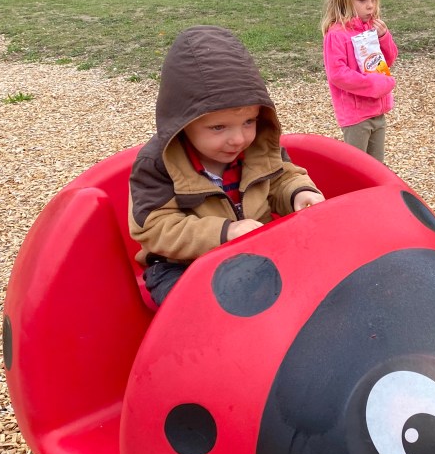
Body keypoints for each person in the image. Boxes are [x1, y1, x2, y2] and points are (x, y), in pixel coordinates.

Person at [129, 25, 325, 305]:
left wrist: (299, 193)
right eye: (218, 127)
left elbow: (282, 179)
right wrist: (225, 232)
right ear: (182, 124)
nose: (238, 139)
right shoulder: (158, 164)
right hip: (180, 264)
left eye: (249, 122)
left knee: (311, 284)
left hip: (256, 249)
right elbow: (154, 229)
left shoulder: (257, 148)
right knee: (199, 309)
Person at [321, 0, 398, 163]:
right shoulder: (337, 35)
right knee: (356, 166)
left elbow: (387, 60)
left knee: (376, 166)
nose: (370, 5)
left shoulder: (370, 28)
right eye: (362, 0)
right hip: (356, 116)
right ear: (343, 2)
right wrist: (372, 85)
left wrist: (383, 37)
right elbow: (337, 74)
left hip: (377, 110)